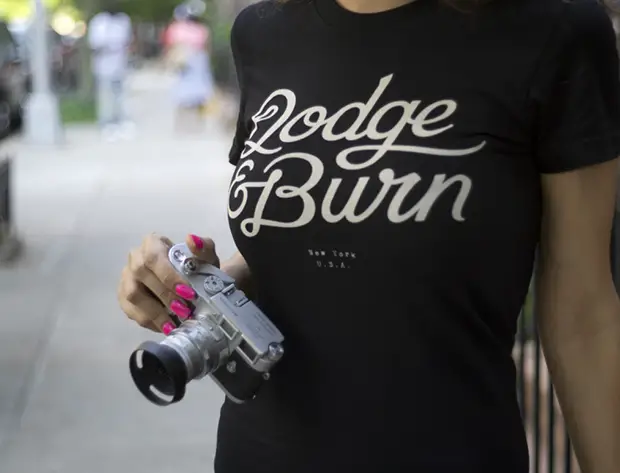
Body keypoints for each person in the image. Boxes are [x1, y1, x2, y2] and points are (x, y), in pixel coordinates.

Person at [117, 0, 620, 472]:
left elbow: (584, 316)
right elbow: (323, 243)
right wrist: (200, 282)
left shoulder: (553, 31)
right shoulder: (263, 33)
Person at [87, 0, 133, 140]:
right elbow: (94, 44)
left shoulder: (123, 21)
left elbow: (127, 41)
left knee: (120, 95)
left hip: (120, 64)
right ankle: (105, 123)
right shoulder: (99, 22)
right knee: (105, 96)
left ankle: (120, 121)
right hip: (104, 66)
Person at [162, 13, 214, 132]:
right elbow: (206, 47)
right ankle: (196, 124)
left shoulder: (177, 28)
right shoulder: (201, 29)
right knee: (198, 93)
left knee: (184, 92)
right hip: (195, 62)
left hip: (184, 61)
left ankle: (183, 124)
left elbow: (169, 46)